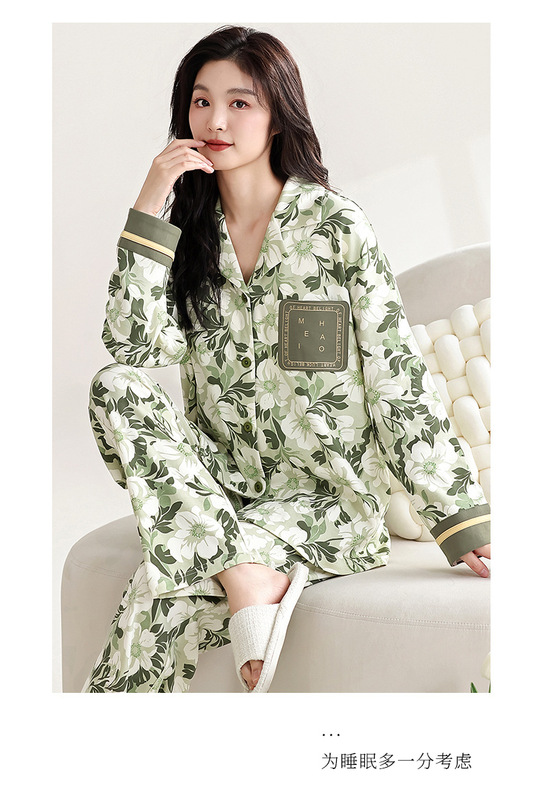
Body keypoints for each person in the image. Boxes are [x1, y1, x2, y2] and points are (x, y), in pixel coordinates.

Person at [81, 25, 491, 693]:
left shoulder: (335, 227)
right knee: (116, 384)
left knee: (158, 596)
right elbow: (135, 346)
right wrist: (149, 204)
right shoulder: (186, 238)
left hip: (325, 504)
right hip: (217, 492)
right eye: (201, 101)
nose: (215, 121)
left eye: (240, 103)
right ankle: (240, 569)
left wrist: (460, 518)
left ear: (277, 117)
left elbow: (396, 376)